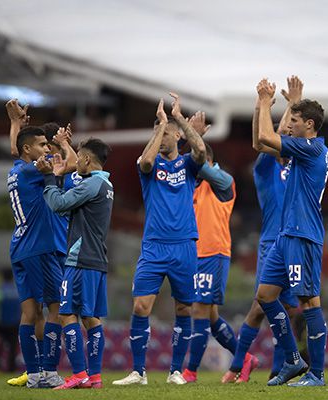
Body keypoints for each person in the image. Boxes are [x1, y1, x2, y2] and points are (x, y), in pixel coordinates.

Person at [112, 96, 207, 386]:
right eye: (158, 133)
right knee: (141, 306)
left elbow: (201, 150)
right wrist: (160, 126)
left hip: (184, 245)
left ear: (178, 135)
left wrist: (177, 120)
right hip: (154, 246)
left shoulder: (188, 166)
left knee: (184, 308)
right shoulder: (149, 168)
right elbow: (146, 161)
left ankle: (175, 371)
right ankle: (138, 372)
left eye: (166, 133)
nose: (162, 137)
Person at [223, 76, 301, 384]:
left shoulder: (298, 162)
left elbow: (288, 132)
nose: (284, 135)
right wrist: (264, 104)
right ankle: (238, 365)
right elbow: (265, 137)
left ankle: (279, 367)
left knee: (291, 310)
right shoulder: (266, 166)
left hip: (297, 240)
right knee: (260, 307)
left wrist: (290, 105)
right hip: (272, 242)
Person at [255, 78, 328, 387]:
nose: (290, 126)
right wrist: (292, 103)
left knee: (309, 301)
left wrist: (263, 102)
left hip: (304, 236)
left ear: (309, 125)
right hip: (285, 236)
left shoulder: (312, 149)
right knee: (265, 295)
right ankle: (292, 360)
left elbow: (263, 136)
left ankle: (317, 374)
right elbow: (265, 144)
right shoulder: (303, 149)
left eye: (295, 122)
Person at [36, 137, 113, 389]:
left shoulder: (91, 185)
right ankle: (96, 376)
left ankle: (80, 373)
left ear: (88, 160)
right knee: (91, 318)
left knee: (67, 313)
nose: (75, 161)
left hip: (79, 259)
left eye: (78, 157)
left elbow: (58, 205)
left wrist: (49, 178)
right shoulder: (106, 184)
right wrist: (59, 178)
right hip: (97, 259)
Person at [6, 119, 65, 388]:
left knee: (29, 313)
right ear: (28, 149)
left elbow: (18, 148)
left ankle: (33, 374)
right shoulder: (33, 170)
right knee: (56, 308)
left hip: (19, 246)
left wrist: (15, 124)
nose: (46, 149)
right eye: (42, 145)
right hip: (39, 248)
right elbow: (71, 165)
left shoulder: (16, 170)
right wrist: (62, 143)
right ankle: (50, 372)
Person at [182, 143, 240, 383]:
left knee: (198, 310)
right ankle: (244, 359)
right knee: (211, 315)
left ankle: (191, 371)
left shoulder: (222, 181)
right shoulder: (192, 185)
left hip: (213, 253)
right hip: (194, 255)